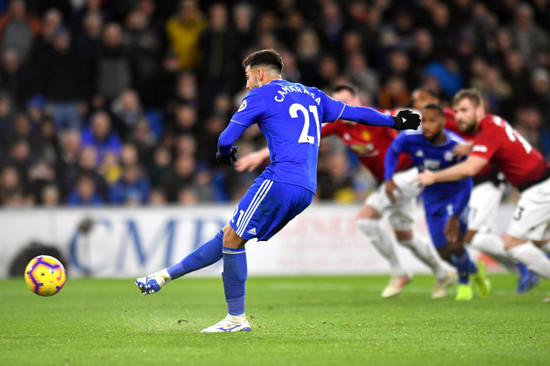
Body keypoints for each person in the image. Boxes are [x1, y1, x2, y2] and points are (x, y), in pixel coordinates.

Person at [135, 49, 420, 332]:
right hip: (306, 188)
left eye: (248, 76)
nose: (247, 84)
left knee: (233, 240)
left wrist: (224, 152)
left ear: (259, 74)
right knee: (231, 236)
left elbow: (226, 137)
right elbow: (356, 114)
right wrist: (395, 120)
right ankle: (165, 276)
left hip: (280, 179)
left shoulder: (260, 95)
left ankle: (235, 320)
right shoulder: (313, 94)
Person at [236, 85, 456, 299]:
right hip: (389, 182)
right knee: (405, 236)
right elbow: (301, 136)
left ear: (358, 101)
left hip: (406, 176)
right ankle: (442, 272)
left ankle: (399, 272)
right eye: (338, 102)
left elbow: (406, 119)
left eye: (347, 102)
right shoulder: (340, 125)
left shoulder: (376, 118)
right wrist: (261, 154)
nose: (343, 107)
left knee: (365, 220)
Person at [416, 89, 550, 301]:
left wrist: (434, 177)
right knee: (541, 241)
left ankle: (525, 271)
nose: (459, 116)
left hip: (539, 189)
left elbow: (470, 169)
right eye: (457, 110)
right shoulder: (492, 123)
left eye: (465, 110)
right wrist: (473, 146)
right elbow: (499, 144)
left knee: (513, 244)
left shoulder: (488, 131)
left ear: (479, 111)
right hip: (541, 184)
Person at [386, 103, 491, 301]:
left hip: (456, 196)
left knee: (455, 244)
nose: (426, 125)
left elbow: (467, 182)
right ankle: (475, 269)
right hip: (432, 200)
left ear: (442, 122)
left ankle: (464, 282)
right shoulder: (412, 139)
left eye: (432, 121)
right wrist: (389, 178)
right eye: (424, 120)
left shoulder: (455, 146)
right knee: (442, 252)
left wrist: (455, 214)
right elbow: (392, 151)